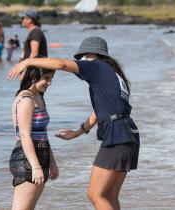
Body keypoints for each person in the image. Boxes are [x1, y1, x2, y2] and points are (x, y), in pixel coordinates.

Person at [9, 36, 140, 210]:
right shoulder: (113, 74)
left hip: (117, 135)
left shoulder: (96, 66)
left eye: (82, 58)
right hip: (129, 134)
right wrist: (78, 132)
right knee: (109, 195)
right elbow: (101, 112)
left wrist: (27, 62)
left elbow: (62, 64)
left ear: (92, 54)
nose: (80, 62)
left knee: (95, 195)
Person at [9, 65, 59, 210]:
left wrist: (52, 162)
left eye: (51, 79)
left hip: (40, 155)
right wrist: (36, 167)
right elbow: (24, 135)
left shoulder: (38, 97)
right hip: (27, 159)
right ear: (33, 76)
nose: (49, 82)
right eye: (46, 78)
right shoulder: (26, 100)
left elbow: (42, 134)